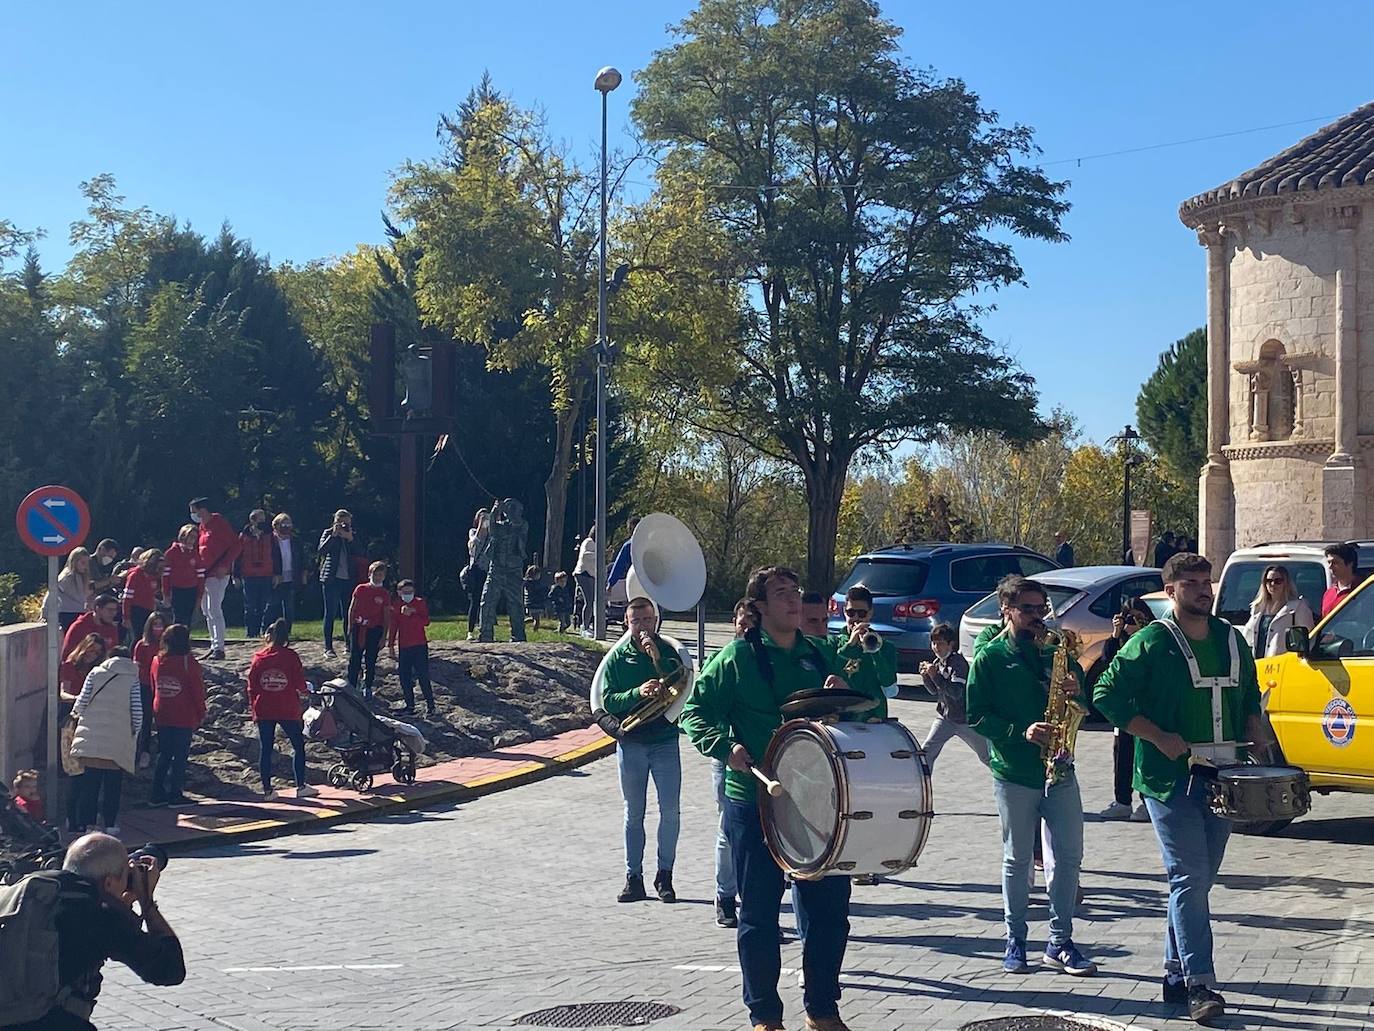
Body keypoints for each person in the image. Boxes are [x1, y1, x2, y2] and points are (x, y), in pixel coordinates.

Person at [680, 566, 857, 1031]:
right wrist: (725, 746)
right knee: (758, 914)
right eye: (782, 594)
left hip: (817, 798)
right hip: (754, 799)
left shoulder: (819, 654)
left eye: (796, 592)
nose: (794, 600)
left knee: (830, 913)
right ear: (757, 608)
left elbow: (864, 710)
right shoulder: (735, 658)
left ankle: (822, 1011)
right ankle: (764, 1016)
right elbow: (694, 713)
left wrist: (845, 697)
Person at [1094, 553, 1266, 1024]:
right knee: (1188, 877)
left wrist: (1258, 728)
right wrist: (1154, 735)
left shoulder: (1232, 640)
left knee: (1198, 880)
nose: (1203, 590)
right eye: (1190, 583)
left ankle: (1173, 970)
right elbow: (1104, 694)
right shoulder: (1151, 642)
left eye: (1205, 582)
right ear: (1170, 592)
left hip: (1224, 778)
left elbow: (1249, 694)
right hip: (1168, 780)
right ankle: (1200, 984)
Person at [967, 576, 1096, 978]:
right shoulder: (989, 657)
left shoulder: (1057, 651)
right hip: (1014, 771)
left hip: (1059, 768)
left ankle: (1060, 941)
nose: (1038, 617)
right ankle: (1015, 939)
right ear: (1005, 610)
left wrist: (1077, 691)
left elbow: (1083, 705)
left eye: (1042, 608)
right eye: (1028, 609)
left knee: (1070, 858)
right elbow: (975, 715)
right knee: (1017, 859)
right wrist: (1018, 732)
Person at [0, 831, 184, 1030]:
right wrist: (146, 900)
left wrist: (118, 905)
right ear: (108, 883)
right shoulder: (98, 914)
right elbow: (169, 969)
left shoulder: (27, 890)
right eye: (125, 877)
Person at [594, 596, 688, 906]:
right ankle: (633, 877)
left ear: (655, 621)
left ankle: (665, 875)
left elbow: (682, 682)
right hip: (632, 741)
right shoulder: (618, 658)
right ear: (626, 623)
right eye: (636, 622)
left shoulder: (669, 651)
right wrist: (639, 692)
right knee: (633, 813)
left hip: (664, 739)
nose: (643, 628)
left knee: (670, 811)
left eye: (647, 621)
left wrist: (659, 660)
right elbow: (608, 701)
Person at [1094, 599, 1156, 822]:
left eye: (1137, 618)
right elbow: (1106, 662)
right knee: (1122, 755)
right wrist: (1115, 633)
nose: (1132, 623)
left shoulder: (1151, 637)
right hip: (1123, 709)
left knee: (1144, 756)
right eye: (1128, 618)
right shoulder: (1121, 640)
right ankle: (1122, 801)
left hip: (1146, 709)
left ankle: (1147, 801)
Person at [68, 648, 142, 836]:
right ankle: (109, 824)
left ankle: (88, 825)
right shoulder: (132, 679)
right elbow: (137, 711)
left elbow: (81, 703)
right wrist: (134, 732)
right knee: (112, 786)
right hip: (117, 740)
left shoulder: (95, 673)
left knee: (89, 785)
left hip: (91, 737)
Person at [246, 619, 318, 800]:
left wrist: (253, 708)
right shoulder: (290, 656)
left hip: (264, 708)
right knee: (298, 745)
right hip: (286, 707)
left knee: (266, 749)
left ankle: (267, 790)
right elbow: (298, 682)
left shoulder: (258, 658)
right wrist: (307, 690)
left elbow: (251, 685)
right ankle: (300, 785)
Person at [919, 623, 990, 771]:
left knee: (986, 756)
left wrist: (935, 676)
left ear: (951, 644)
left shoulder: (958, 664)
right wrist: (926, 677)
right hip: (945, 718)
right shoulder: (937, 663)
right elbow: (933, 691)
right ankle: (923, 785)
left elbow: (956, 692)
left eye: (940, 644)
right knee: (926, 752)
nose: (936, 648)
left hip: (965, 720)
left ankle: (1006, 778)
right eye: (933, 643)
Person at [149, 625, 205, 808]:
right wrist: (201, 712)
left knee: (164, 753)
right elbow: (197, 690)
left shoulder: (157, 660)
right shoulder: (188, 662)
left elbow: (153, 684)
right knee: (180, 755)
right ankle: (175, 793)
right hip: (183, 713)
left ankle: (156, 792)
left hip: (162, 711)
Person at [58, 635, 109, 834]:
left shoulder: (99, 671)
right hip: (73, 722)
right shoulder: (70, 665)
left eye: (97, 652)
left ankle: (87, 819)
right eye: (90, 650)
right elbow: (63, 693)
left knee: (91, 775)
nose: (92, 655)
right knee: (75, 773)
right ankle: (72, 820)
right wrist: (81, 699)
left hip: (94, 723)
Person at [189, 498, 240, 661]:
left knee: (215, 609)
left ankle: (219, 647)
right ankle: (213, 644)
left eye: (194, 510)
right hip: (204, 574)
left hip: (217, 573)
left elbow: (236, 545)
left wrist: (225, 565)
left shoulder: (219, 523)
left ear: (202, 510)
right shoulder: (202, 527)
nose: (193, 514)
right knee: (207, 610)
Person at [1241, 564, 1314, 658]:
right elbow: (1247, 637)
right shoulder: (1257, 607)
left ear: (1286, 583)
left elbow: (1309, 637)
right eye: (1269, 581)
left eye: (1278, 581)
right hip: (1258, 664)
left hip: (1283, 665)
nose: (1272, 584)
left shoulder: (1297, 607)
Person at [318, 510, 361, 659]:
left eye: (346, 522)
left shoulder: (352, 534)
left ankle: (348, 645)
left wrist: (350, 539)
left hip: (348, 579)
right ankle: (328, 647)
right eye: (341, 522)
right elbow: (322, 551)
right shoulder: (328, 533)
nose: (344, 525)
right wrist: (334, 536)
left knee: (348, 614)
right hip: (331, 579)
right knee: (330, 613)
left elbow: (361, 552)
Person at [388, 578, 435, 717]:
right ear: (399, 592)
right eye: (405, 592)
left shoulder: (420, 603)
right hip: (404, 646)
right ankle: (410, 705)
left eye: (410, 591)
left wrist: (413, 613)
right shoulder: (397, 605)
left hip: (419, 645)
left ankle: (431, 705)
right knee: (404, 677)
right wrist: (391, 645)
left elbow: (426, 622)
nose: (408, 594)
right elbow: (393, 626)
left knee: (423, 676)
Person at [347, 561, 391, 699]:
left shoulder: (384, 594)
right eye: (375, 574)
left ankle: (368, 686)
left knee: (371, 659)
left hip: (374, 629)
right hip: (359, 627)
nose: (377, 577)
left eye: (380, 575)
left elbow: (386, 616)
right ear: (369, 574)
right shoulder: (361, 588)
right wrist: (350, 626)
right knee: (355, 657)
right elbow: (352, 608)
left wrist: (384, 636)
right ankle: (352, 685)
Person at [132, 614, 166, 772]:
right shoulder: (142, 645)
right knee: (144, 720)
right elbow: (136, 668)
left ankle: (162, 751)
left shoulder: (168, 645)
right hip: (145, 686)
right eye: (155, 624)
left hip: (163, 687)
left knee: (163, 720)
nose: (158, 628)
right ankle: (144, 751)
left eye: (161, 624)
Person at [235, 509, 275, 640]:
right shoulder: (243, 536)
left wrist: (277, 573)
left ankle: (266, 631)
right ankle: (251, 632)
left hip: (266, 574)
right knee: (251, 606)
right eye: (260, 520)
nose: (263, 523)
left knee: (267, 605)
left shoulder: (270, 535)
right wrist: (235, 576)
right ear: (252, 521)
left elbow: (276, 555)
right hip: (249, 575)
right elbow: (237, 556)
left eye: (264, 520)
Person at [268, 512, 305, 632]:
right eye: (283, 524)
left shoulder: (295, 540)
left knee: (289, 606)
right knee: (273, 605)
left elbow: (301, 557)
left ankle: (287, 631)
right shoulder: (270, 540)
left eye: (288, 524)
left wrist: (303, 573)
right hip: (276, 576)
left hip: (291, 576)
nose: (286, 527)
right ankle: (270, 630)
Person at [161, 525, 203, 629]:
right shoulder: (171, 553)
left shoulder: (196, 554)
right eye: (190, 536)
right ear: (183, 536)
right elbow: (165, 576)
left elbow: (200, 577)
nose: (192, 540)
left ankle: (185, 640)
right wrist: (166, 594)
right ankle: (176, 640)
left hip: (191, 590)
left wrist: (199, 596)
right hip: (177, 590)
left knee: (188, 618)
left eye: (194, 537)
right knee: (178, 618)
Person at [119, 550, 161, 649]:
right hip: (136, 610)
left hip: (149, 609)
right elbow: (127, 597)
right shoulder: (135, 575)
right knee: (137, 637)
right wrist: (126, 617)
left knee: (147, 636)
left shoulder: (154, 576)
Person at [463, 508, 491, 641]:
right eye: (481, 516)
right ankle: (470, 631)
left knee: (488, 601)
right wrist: (481, 524)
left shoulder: (492, 534)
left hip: (490, 570)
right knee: (475, 601)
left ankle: (485, 629)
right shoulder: (473, 531)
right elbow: (475, 542)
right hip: (477, 570)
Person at [54, 548, 93, 632]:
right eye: (83, 563)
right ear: (74, 561)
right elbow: (53, 592)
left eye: (87, 563)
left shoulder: (80, 576)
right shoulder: (67, 577)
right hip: (67, 614)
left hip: (79, 612)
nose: (86, 566)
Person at [605, 516, 640, 599]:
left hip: (635, 580)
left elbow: (619, 565)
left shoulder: (628, 545)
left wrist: (610, 584)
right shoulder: (651, 541)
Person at [1321, 542, 1360, 616]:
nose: (1330, 567)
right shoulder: (1329, 593)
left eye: (1335, 562)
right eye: (1329, 562)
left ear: (1349, 563)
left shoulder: (1362, 591)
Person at [573, 525, 596, 634]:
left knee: (592, 601)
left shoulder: (595, 544)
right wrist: (600, 554)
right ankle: (584, 626)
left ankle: (588, 623)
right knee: (589, 601)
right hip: (583, 574)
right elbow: (586, 556)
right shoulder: (588, 541)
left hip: (590, 575)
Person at [523, 565, 546, 632]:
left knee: (534, 618)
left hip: (536, 603)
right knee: (537, 620)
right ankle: (535, 631)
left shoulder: (536, 583)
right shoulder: (530, 583)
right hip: (532, 603)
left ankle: (522, 623)